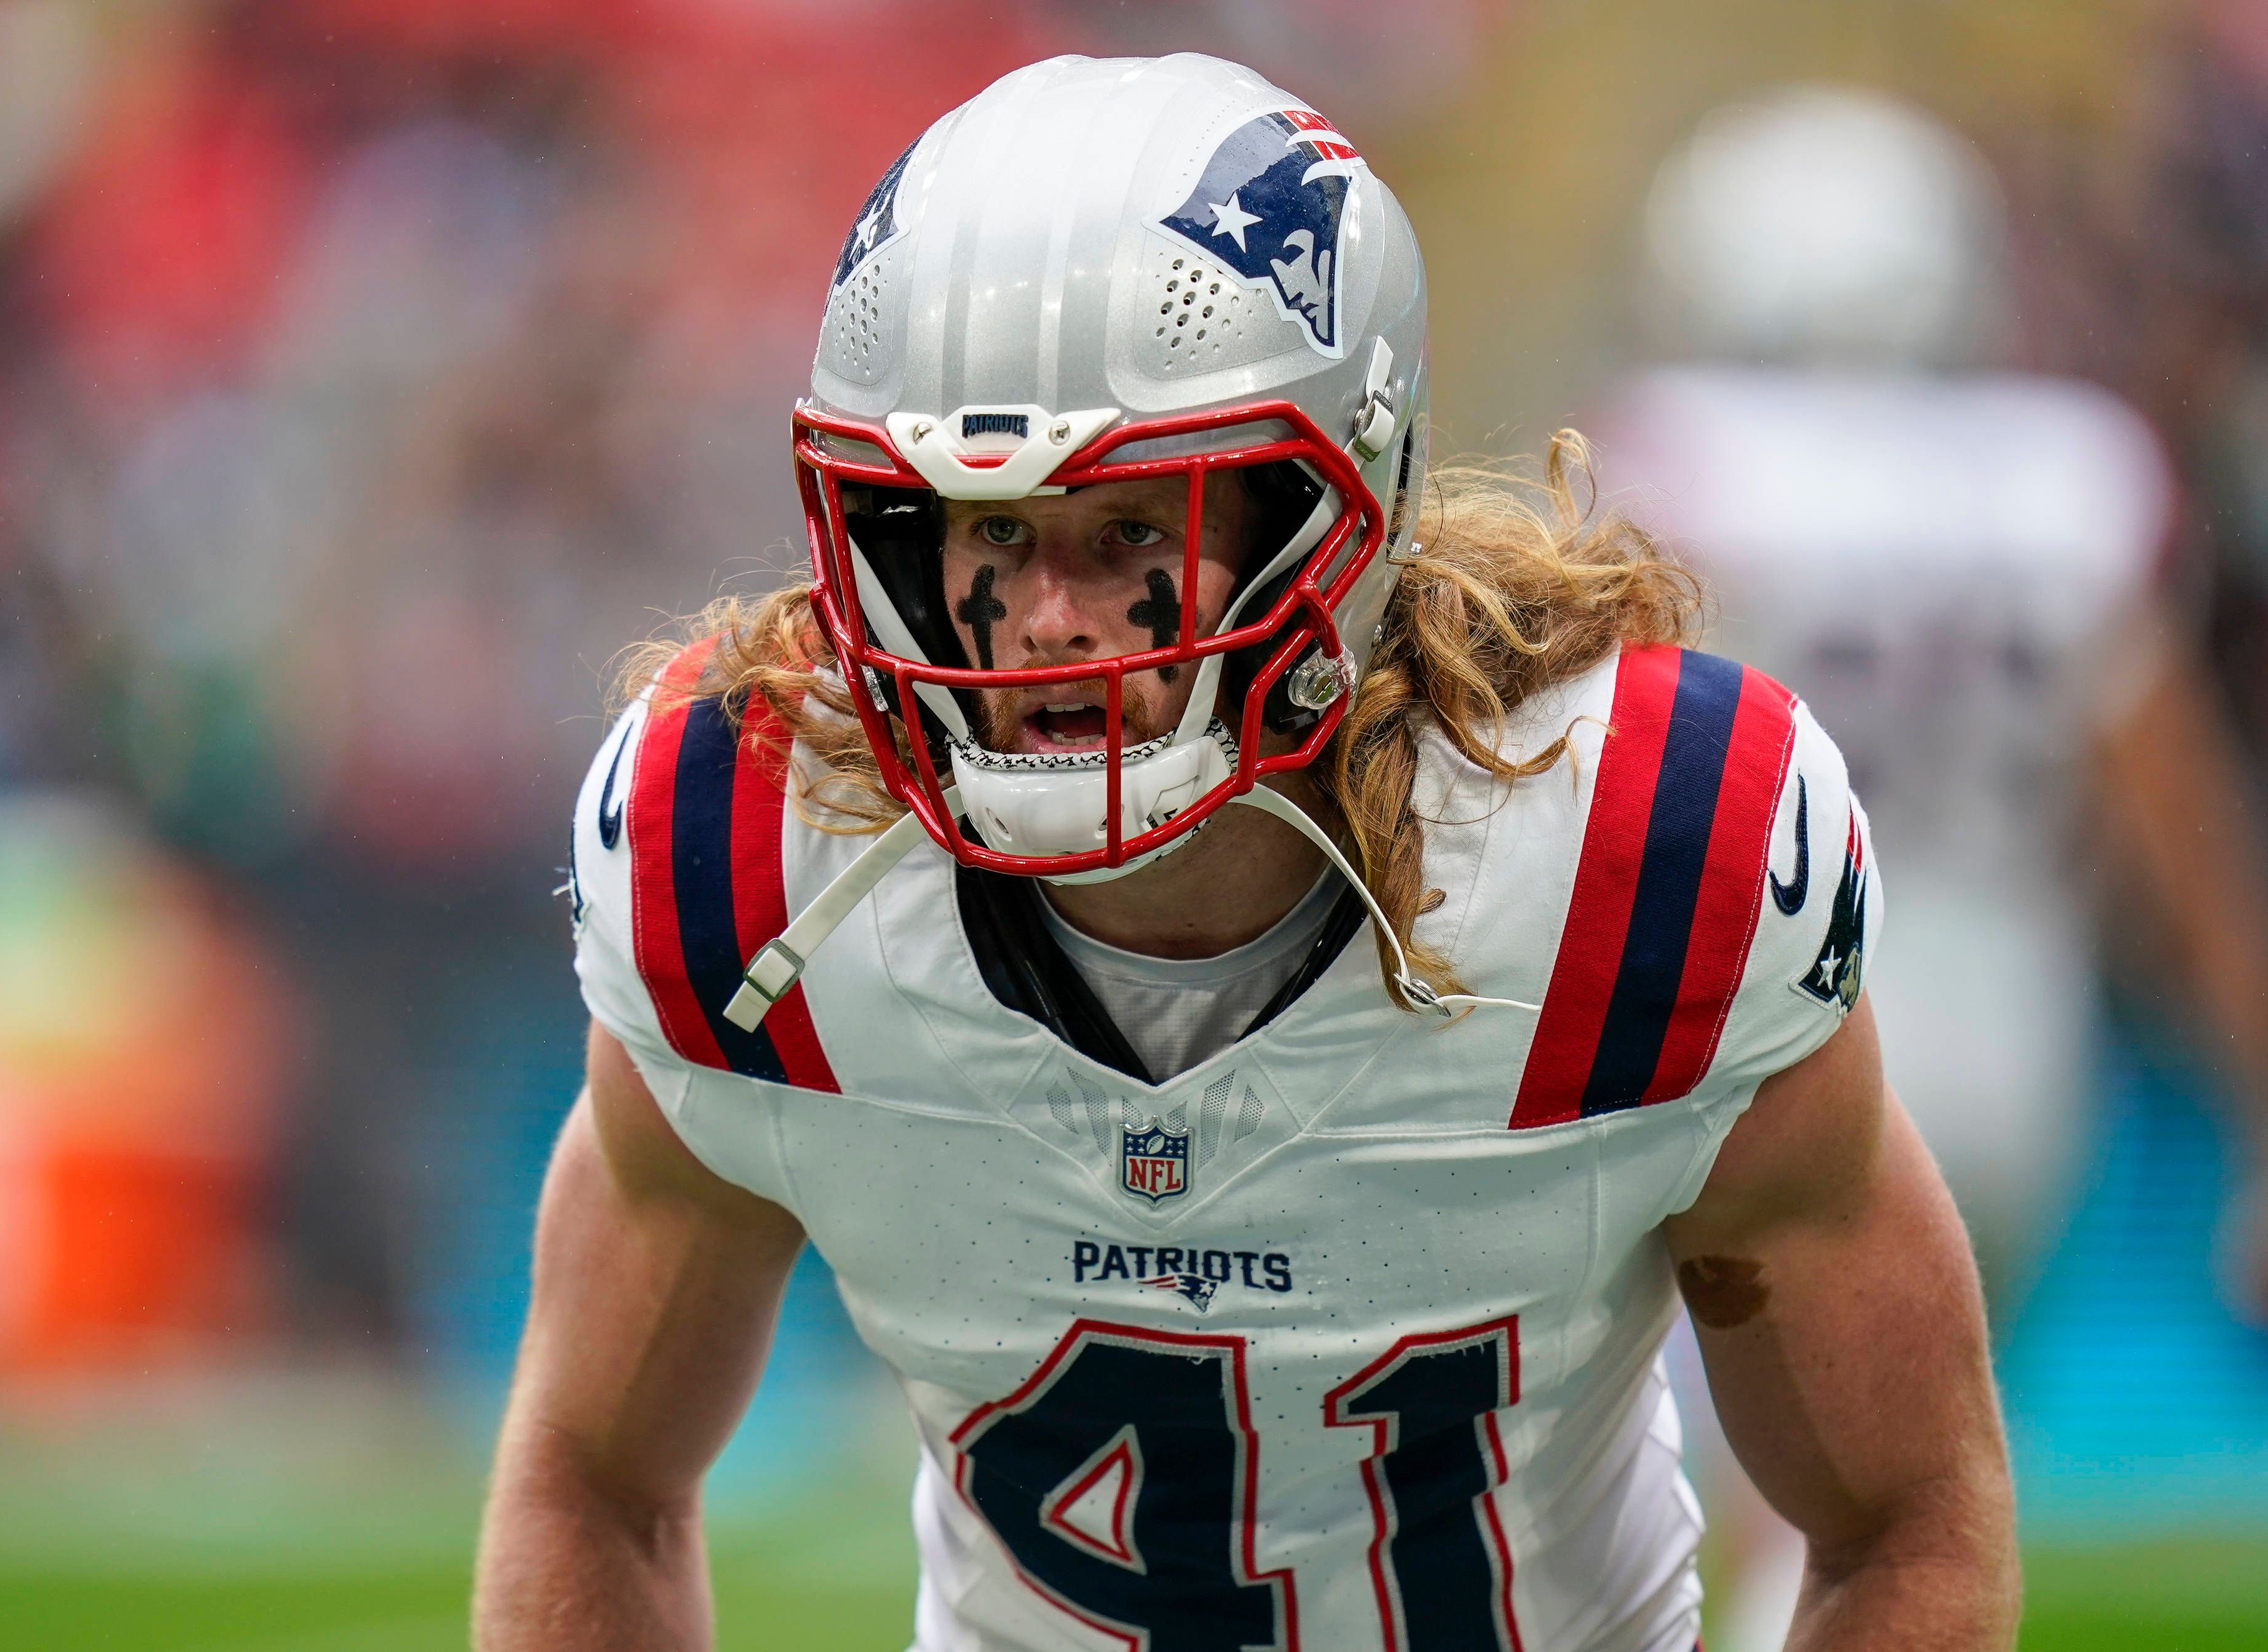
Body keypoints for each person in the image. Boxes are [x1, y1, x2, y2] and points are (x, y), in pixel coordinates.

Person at [475, 55, 2016, 1652]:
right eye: (987, 530)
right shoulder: (744, 862)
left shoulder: (1630, 859)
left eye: (1129, 529)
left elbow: (1903, 1516)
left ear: (1333, 513)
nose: (1045, 625)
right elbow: (592, 1477)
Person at [1592, 85, 2268, 1650]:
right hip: (2018, 1041)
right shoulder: (2063, 476)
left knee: (1741, 1503)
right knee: (1898, 1501)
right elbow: (2170, 816)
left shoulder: (1682, 461)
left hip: (1762, 1024)